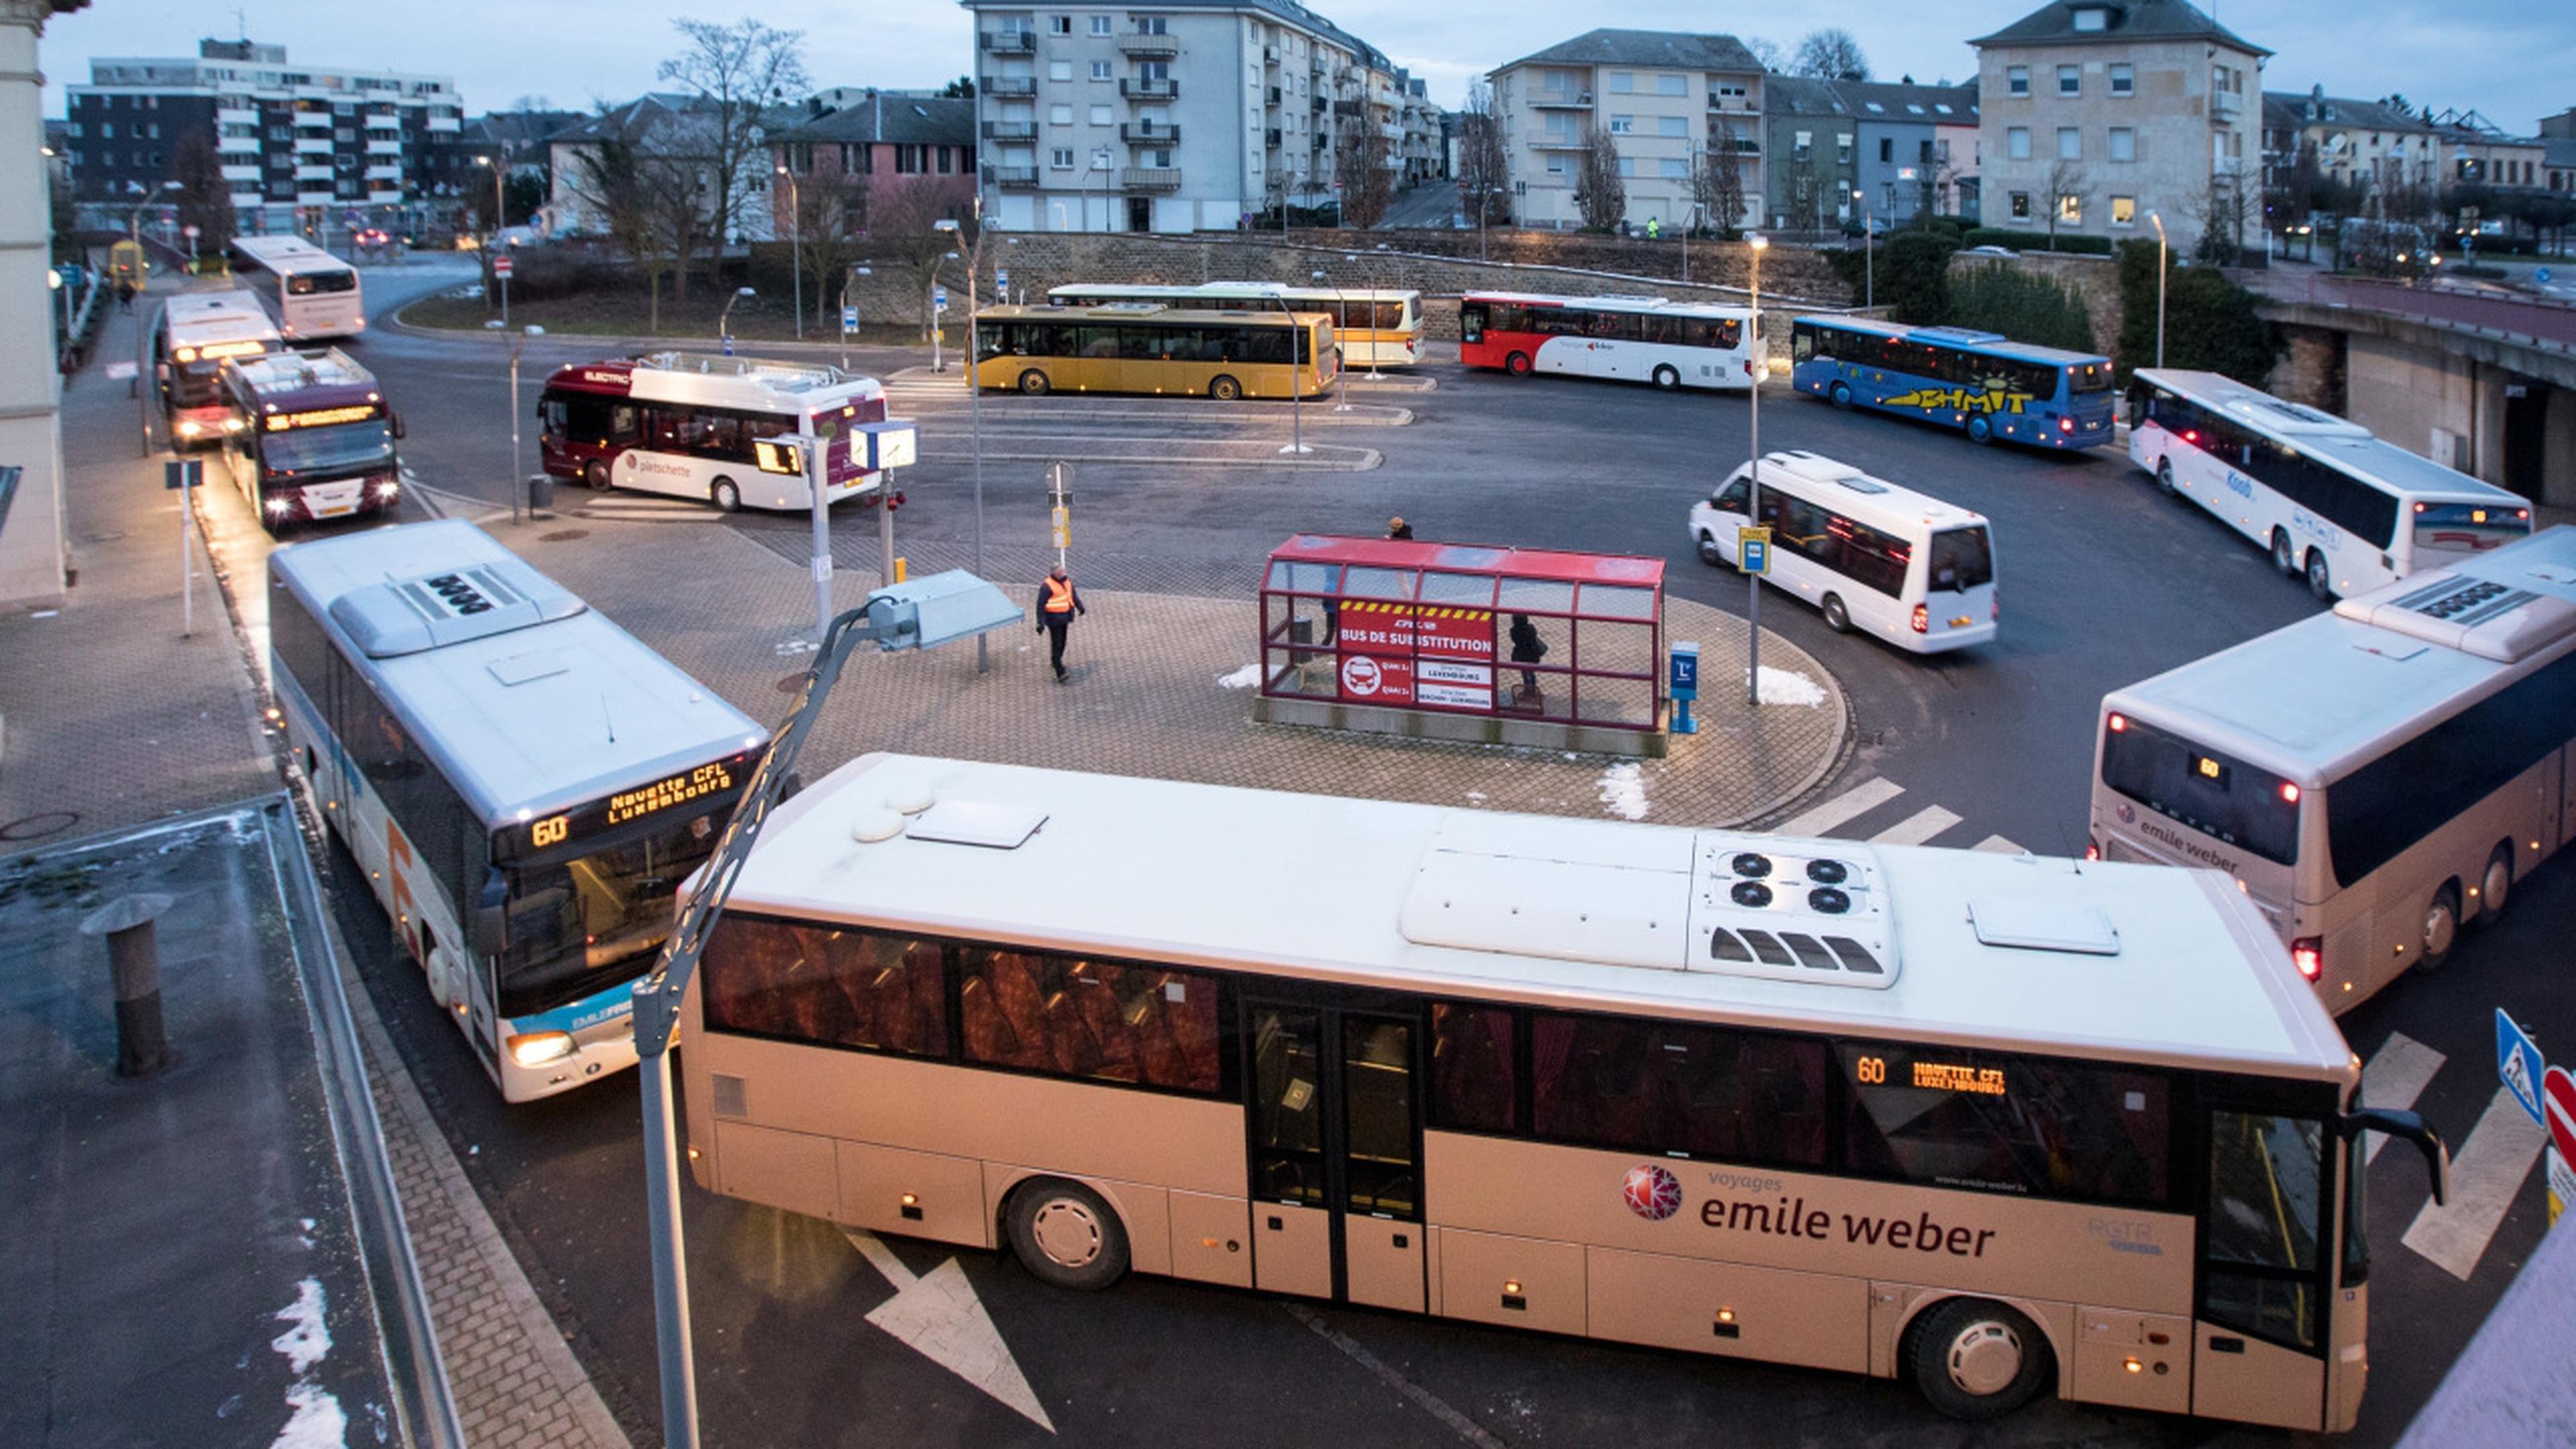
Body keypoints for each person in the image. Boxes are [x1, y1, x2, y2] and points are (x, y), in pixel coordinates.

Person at [1034, 564, 1085, 682]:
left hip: (1065, 617)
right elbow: (1040, 605)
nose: (1063, 573)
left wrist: (1080, 607)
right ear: (1055, 573)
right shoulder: (1047, 586)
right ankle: (1060, 672)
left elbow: (1073, 596)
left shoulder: (1067, 582)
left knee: (1062, 642)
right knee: (1057, 644)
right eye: (1061, 571)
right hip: (1054, 619)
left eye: (1063, 571)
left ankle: (1056, 661)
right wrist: (1040, 622)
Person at [1508, 612, 1547, 702]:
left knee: (1525, 673)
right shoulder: (1531, 629)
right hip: (1532, 654)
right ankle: (1532, 690)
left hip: (1521, 655)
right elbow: (1534, 637)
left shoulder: (1514, 631)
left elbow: (1515, 640)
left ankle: (1528, 689)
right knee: (1531, 673)